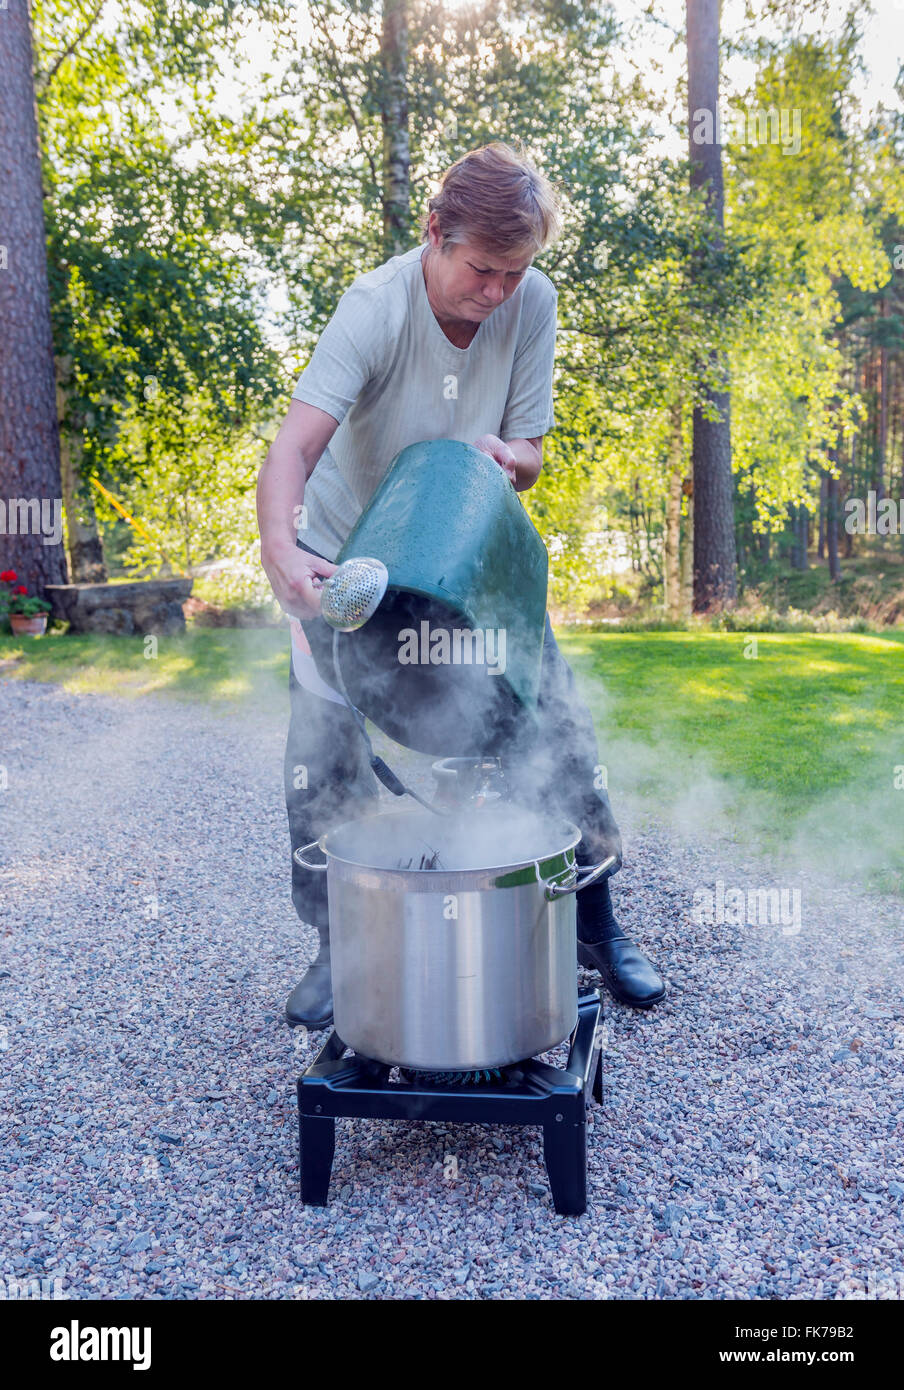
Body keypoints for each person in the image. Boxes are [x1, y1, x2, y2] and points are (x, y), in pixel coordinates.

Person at [257, 141, 665, 1030]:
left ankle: (597, 921)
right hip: (351, 560)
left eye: (513, 272)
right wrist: (285, 557)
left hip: (469, 559)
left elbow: (530, 455)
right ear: (435, 232)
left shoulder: (533, 302)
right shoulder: (374, 308)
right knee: (321, 758)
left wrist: (504, 455)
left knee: (555, 725)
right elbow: (292, 449)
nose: (496, 291)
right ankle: (337, 950)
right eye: (482, 269)